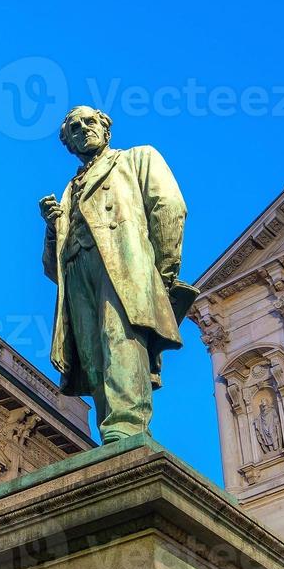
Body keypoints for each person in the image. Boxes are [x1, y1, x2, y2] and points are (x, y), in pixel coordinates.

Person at [39, 106, 189, 442]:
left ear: (106, 129)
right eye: (74, 129)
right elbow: (52, 268)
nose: (83, 130)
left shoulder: (136, 158)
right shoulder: (68, 192)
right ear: (69, 143)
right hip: (79, 270)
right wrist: (53, 227)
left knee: (119, 339)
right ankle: (112, 430)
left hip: (123, 266)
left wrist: (161, 276)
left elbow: (169, 207)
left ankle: (127, 425)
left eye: (89, 123)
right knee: (93, 354)